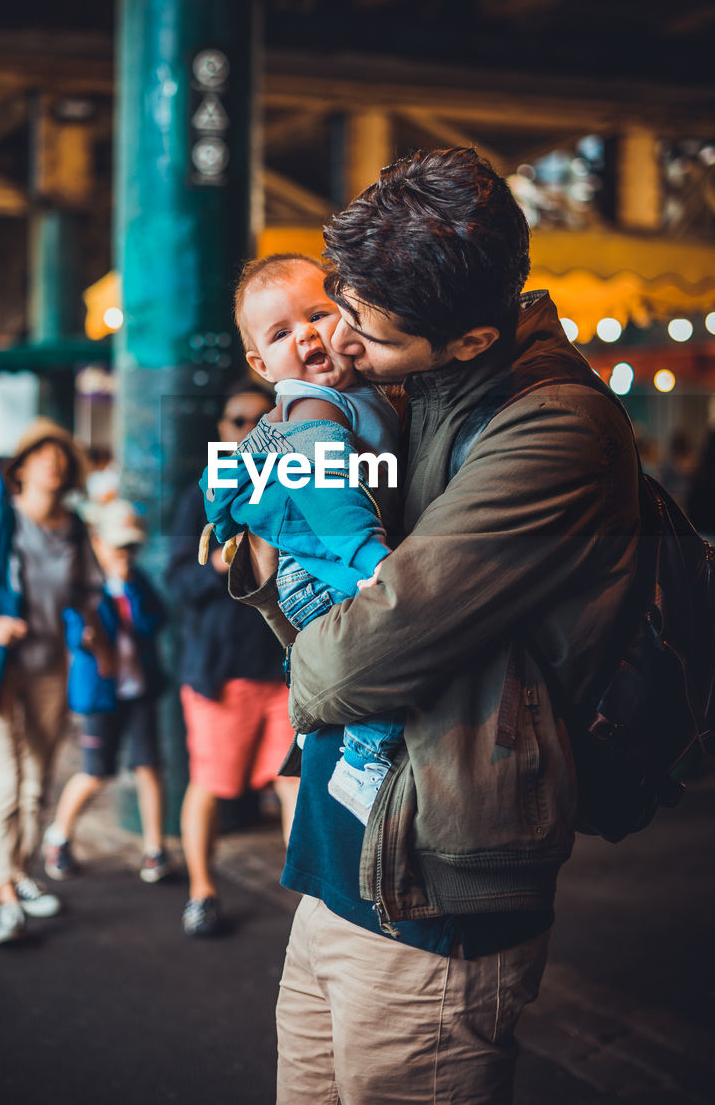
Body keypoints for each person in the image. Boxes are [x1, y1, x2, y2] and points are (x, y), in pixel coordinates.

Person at [228, 148, 640, 1104]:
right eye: (337, 304)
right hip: (338, 854)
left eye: (361, 327)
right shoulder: (402, 391)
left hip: (434, 882)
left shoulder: (550, 431)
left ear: (469, 337)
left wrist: (280, 541)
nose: (336, 341)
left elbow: (347, 665)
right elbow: (251, 534)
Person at [202, 255, 403, 824]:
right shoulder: (313, 409)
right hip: (328, 571)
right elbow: (328, 494)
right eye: (282, 333)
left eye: (319, 313)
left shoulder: (359, 393)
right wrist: (372, 559)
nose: (308, 334)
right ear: (261, 363)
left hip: (324, 568)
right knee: (391, 655)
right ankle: (365, 763)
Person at [0, 418, 104, 947]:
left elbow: (87, 590)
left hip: (49, 666)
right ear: (23, 467)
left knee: (37, 781)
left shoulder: (73, 526)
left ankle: (23, 871)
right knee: (6, 781)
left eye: (61, 457)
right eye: (42, 455)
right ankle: (5, 894)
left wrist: (90, 628)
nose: (53, 464)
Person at [167, 382, 297, 938]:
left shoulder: (298, 488)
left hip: (289, 669)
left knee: (293, 785)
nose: (246, 430)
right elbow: (177, 580)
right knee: (212, 784)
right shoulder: (201, 497)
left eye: (258, 420)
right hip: (223, 673)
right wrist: (227, 563)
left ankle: (306, 904)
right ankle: (202, 891)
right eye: (235, 419)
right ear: (221, 429)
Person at [43, 498, 169, 884]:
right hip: (100, 695)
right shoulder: (82, 587)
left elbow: (154, 622)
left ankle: (154, 848)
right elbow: (76, 635)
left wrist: (128, 591)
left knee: (148, 767)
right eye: (118, 546)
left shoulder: (137, 582)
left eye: (131, 546)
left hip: (138, 689)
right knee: (96, 772)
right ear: (97, 541)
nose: (125, 554)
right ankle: (59, 836)